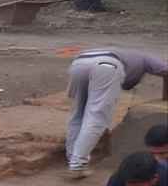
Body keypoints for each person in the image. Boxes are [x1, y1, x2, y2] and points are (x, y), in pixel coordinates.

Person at [65, 49, 168, 178]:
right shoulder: (146, 57)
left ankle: (72, 158)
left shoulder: (128, 56)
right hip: (107, 66)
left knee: (78, 114)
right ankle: (77, 165)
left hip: (79, 63)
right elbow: (166, 70)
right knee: (97, 117)